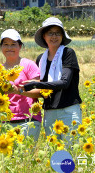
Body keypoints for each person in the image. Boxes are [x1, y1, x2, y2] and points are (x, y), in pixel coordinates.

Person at [22, 17, 82, 147]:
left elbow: (64, 82)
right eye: (50, 33)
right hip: (50, 112)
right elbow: (39, 90)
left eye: (57, 33)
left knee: (71, 149)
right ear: (44, 36)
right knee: (54, 151)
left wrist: (35, 84)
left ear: (62, 36)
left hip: (68, 110)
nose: (54, 36)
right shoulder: (41, 59)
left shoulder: (68, 53)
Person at [0, 29, 42, 142]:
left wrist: (18, 91)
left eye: (13, 44)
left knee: (26, 157)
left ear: (20, 46)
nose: (9, 48)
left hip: (28, 120)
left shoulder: (28, 65)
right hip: (5, 121)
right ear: (1, 47)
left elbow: (39, 91)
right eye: (6, 44)